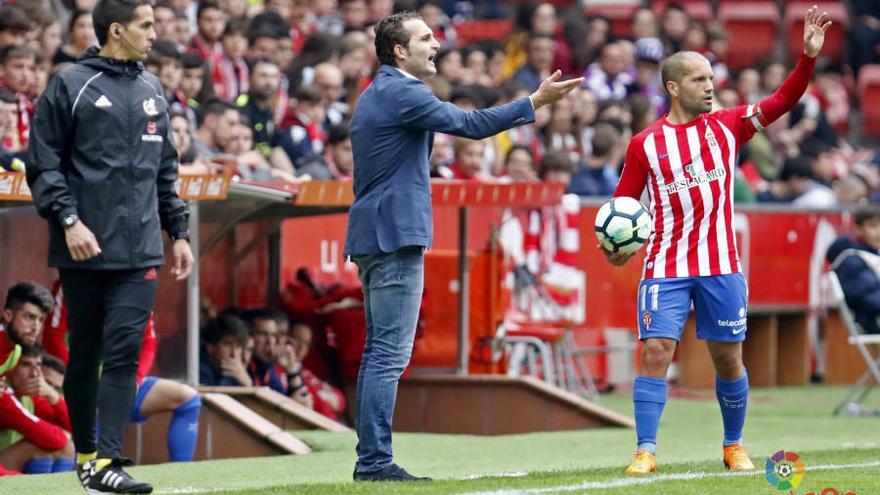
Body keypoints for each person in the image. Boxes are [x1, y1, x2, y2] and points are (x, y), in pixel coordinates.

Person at [344, 11, 581, 482]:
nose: (437, 45)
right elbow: (471, 125)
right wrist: (533, 100)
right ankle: (373, 462)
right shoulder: (402, 92)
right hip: (393, 236)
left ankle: (372, 459)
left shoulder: (378, 91)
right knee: (389, 353)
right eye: (426, 38)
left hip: (376, 234)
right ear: (399, 51)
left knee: (380, 351)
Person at [604, 7, 831, 476]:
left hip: (720, 264)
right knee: (655, 351)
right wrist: (617, 244)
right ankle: (645, 450)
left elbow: (781, 101)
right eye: (698, 79)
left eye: (711, 77)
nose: (710, 86)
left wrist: (806, 60)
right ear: (673, 87)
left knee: (728, 359)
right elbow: (622, 205)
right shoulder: (645, 144)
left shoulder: (729, 125)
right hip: (665, 265)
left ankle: (733, 445)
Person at [25, 0, 194, 493]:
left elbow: (166, 170)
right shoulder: (69, 84)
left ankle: (107, 463)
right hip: (83, 247)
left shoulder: (153, 88)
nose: (154, 34)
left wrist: (178, 231)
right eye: (145, 25)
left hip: (140, 249)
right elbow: (44, 164)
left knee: (122, 353)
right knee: (86, 355)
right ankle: (88, 456)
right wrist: (69, 222)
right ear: (116, 30)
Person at [0, 345, 75, 474]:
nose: (34, 374)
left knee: (66, 447)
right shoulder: (4, 396)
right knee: (47, 446)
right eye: (25, 365)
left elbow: (76, 427)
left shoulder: (29, 398)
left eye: (37, 365)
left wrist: (53, 396)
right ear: (11, 367)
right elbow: (56, 439)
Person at [826, 205, 880, 335]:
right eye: (873, 226)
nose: (879, 232)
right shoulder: (851, 260)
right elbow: (869, 300)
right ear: (859, 229)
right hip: (868, 326)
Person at [199, 313, 253, 387]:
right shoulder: (199, 370)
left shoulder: (234, 371)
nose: (233, 354)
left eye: (238, 346)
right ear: (210, 347)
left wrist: (247, 383)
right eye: (227, 344)